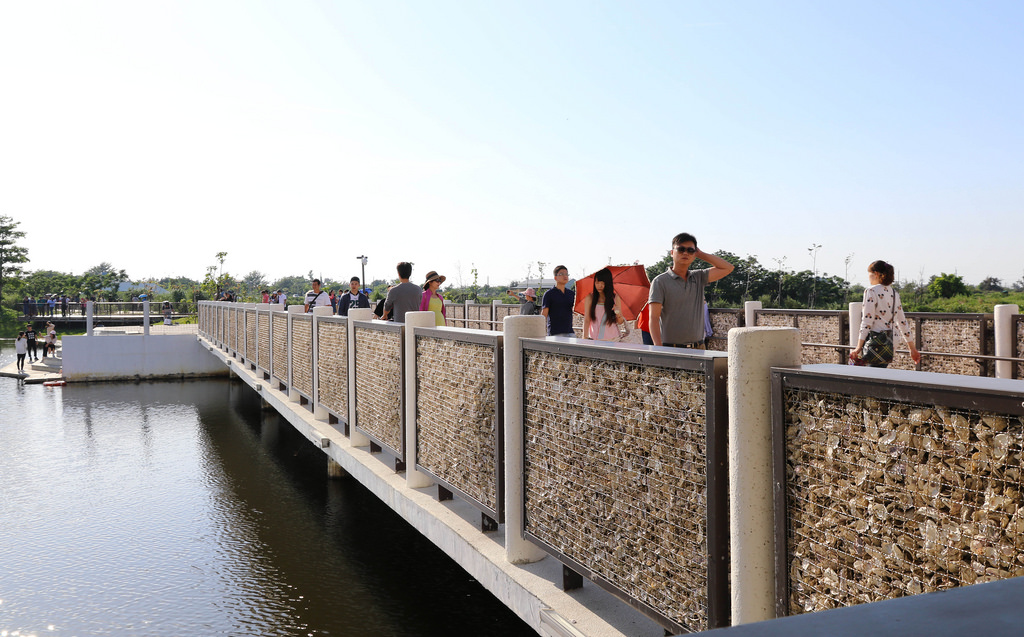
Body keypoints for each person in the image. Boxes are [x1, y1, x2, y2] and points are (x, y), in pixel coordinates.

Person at [649, 233, 734, 348]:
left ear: (695, 254)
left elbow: (728, 268)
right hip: (671, 348)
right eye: (681, 249)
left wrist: (701, 254)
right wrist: (658, 348)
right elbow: (653, 317)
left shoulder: (699, 277)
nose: (685, 253)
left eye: (690, 250)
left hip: (698, 347)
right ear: (672, 253)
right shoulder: (660, 281)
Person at [851, 260, 921, 367]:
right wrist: (912, 348)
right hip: (891, 342)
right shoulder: (894, 293)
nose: (868, 277)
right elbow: (902, 321)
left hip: (876, 342)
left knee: (871, 378)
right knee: (879, 374)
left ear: (876, 274)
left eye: (869, 274)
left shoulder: (871, 291)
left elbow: (867, 321)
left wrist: (858, 347)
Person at [583, 268, 625, 341]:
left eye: (603, 283)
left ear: (608, 283)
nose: (600, 286)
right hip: (594, 338)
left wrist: (617, 313)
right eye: (597, 282)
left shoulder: (615, 297)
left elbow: (620, 322)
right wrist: (584, 337)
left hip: (613, 338)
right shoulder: (590, 297)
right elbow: (587, 319)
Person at [542, 265, 576, 336]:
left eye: (566, 274)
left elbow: (574, 310)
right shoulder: (549, 294)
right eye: (561, 274)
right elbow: (544, 314)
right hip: (555, 333)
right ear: (555, 277)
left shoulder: (571, 294)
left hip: (570, 332)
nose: (565, 276)